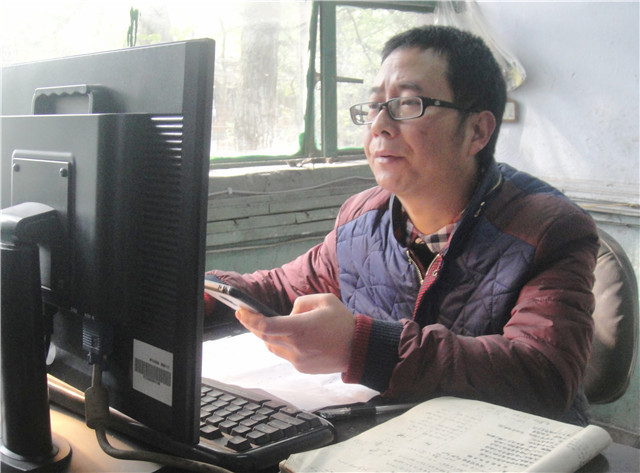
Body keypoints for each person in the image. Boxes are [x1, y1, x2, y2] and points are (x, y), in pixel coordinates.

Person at [205, 25, 599, 425]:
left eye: (408, 104)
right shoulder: (361, 218)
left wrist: (361, 348)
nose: (379, 125)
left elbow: (544, 375)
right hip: (393, 436)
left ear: (477, 131)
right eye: (375, 106)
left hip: (510, 444)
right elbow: (280, 289)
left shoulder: (548, 229)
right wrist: (200, 291)